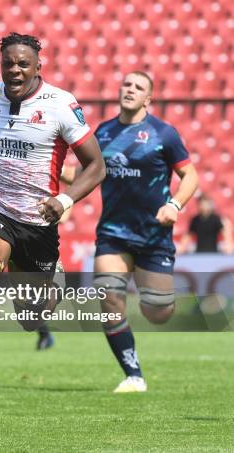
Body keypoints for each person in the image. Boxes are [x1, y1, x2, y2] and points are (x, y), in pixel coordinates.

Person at [0, 32, 105, 425]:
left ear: (38, 66)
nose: (15, 70)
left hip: (41, 223)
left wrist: (64, 201)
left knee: (31, 316)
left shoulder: (61, 105)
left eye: (23, 63)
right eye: (8, 63)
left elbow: (96, 165)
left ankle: (50, 283)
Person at [92, 71, 198, 392]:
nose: (130, 90)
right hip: (112, 232)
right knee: (109, 297)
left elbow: (190, 176)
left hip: (154, 235)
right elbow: (87, 173)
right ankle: (133, 375)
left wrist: (175, 206)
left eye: (138, 87)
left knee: (158, 313)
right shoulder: (104, 132)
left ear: (148, 98)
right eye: (126, 84)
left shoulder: (163, 134)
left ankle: (153, 293)